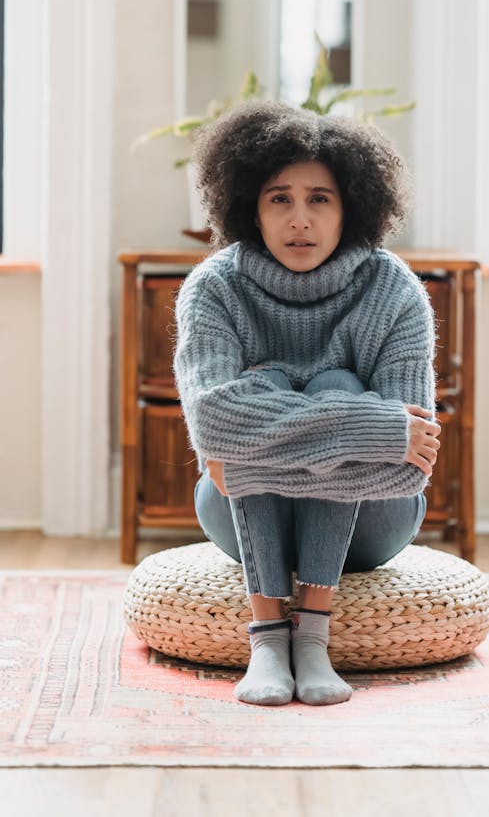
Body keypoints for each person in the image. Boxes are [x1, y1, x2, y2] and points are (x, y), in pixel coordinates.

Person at [173, 101, 441, 707]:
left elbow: (407, 466)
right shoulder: (215, 287)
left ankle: (311, 636)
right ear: (250, 207)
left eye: (319, 198)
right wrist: (367, 427)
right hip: (234, 519)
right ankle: (269, 637)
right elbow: (210, 421)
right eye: (279, 199)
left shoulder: (393, 289)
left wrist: (248, 448)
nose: (300, 219)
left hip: (376, 521)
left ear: (351, 206)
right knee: (324, 395)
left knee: (333, 387)